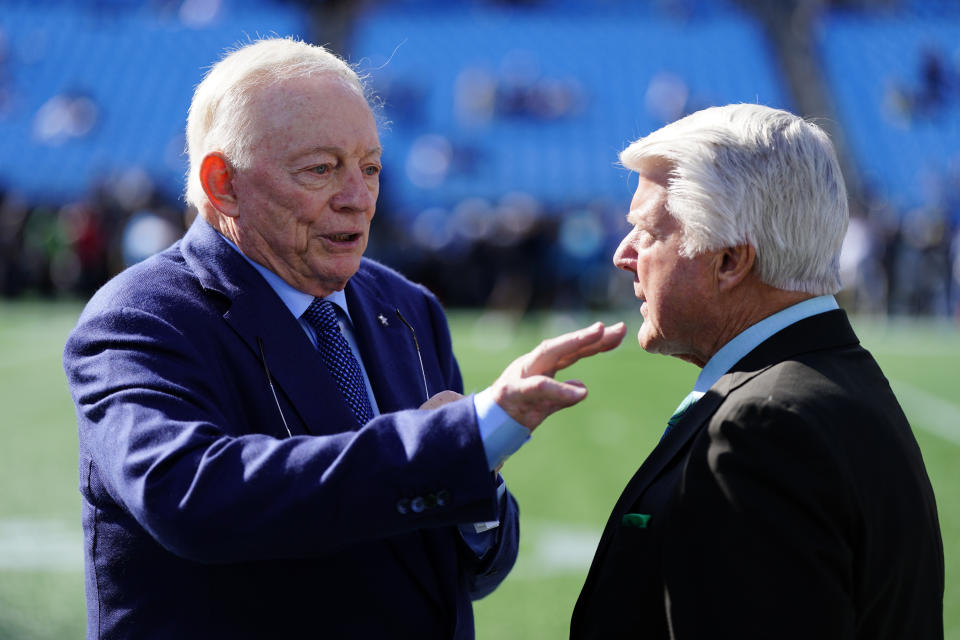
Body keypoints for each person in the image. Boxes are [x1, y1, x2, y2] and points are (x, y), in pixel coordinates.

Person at [63, 37, 625, 639]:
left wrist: (477, 475)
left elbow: (463, 570)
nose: (359, 199)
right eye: (321, 169)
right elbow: (194, 497)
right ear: (223, 183)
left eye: (371, 167)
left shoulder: (409, 309)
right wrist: (459, 440)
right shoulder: (141, 317)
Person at [571, 104, 944, 639]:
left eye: (649, 233)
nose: (622, 254)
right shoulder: (833, 379)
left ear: (729, 262)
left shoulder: (762, 427)